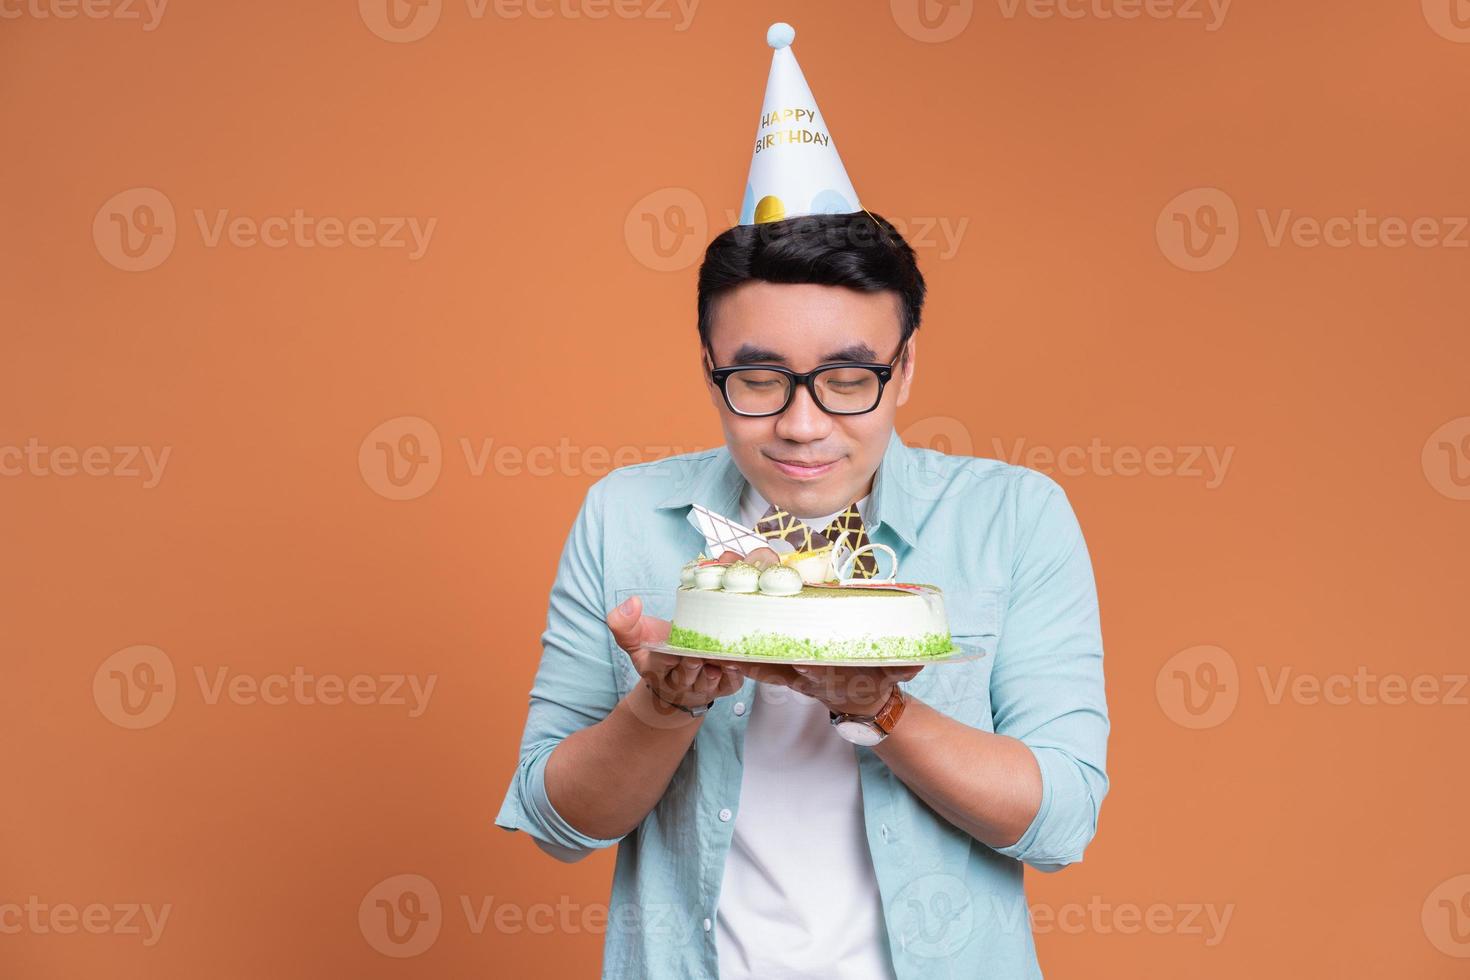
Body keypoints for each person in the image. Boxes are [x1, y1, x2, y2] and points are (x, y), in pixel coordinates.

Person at [495, 24, 1109, 980]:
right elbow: (558, 824)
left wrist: (876, 707)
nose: (803, 424)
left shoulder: (1016, 518)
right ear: (710, 374)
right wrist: (662, 705)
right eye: (761, 379)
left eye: (848, 378)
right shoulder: (623, 516)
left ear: (905, 369)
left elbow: (1060, 822)